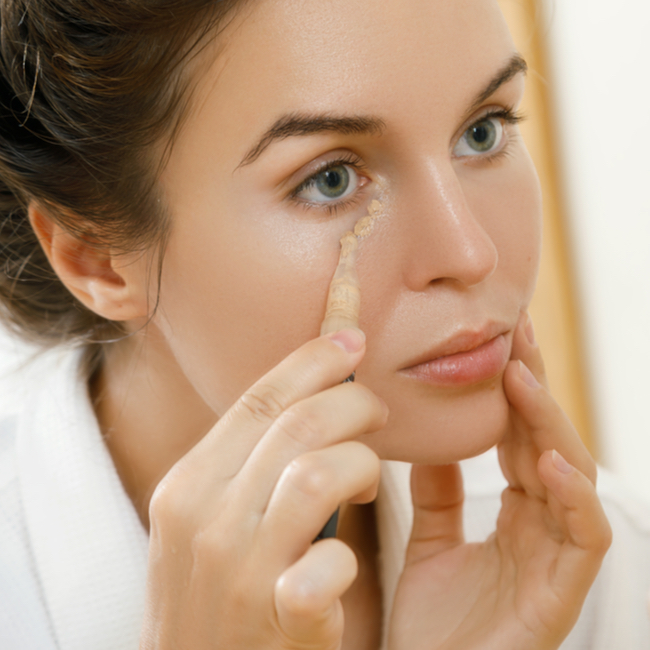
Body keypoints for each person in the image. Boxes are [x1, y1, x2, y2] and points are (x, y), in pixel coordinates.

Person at [0, 0, 646, 648]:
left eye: (483, 130)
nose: (470, 254)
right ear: (97, 259)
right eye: (331, 179)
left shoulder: (597, 575)